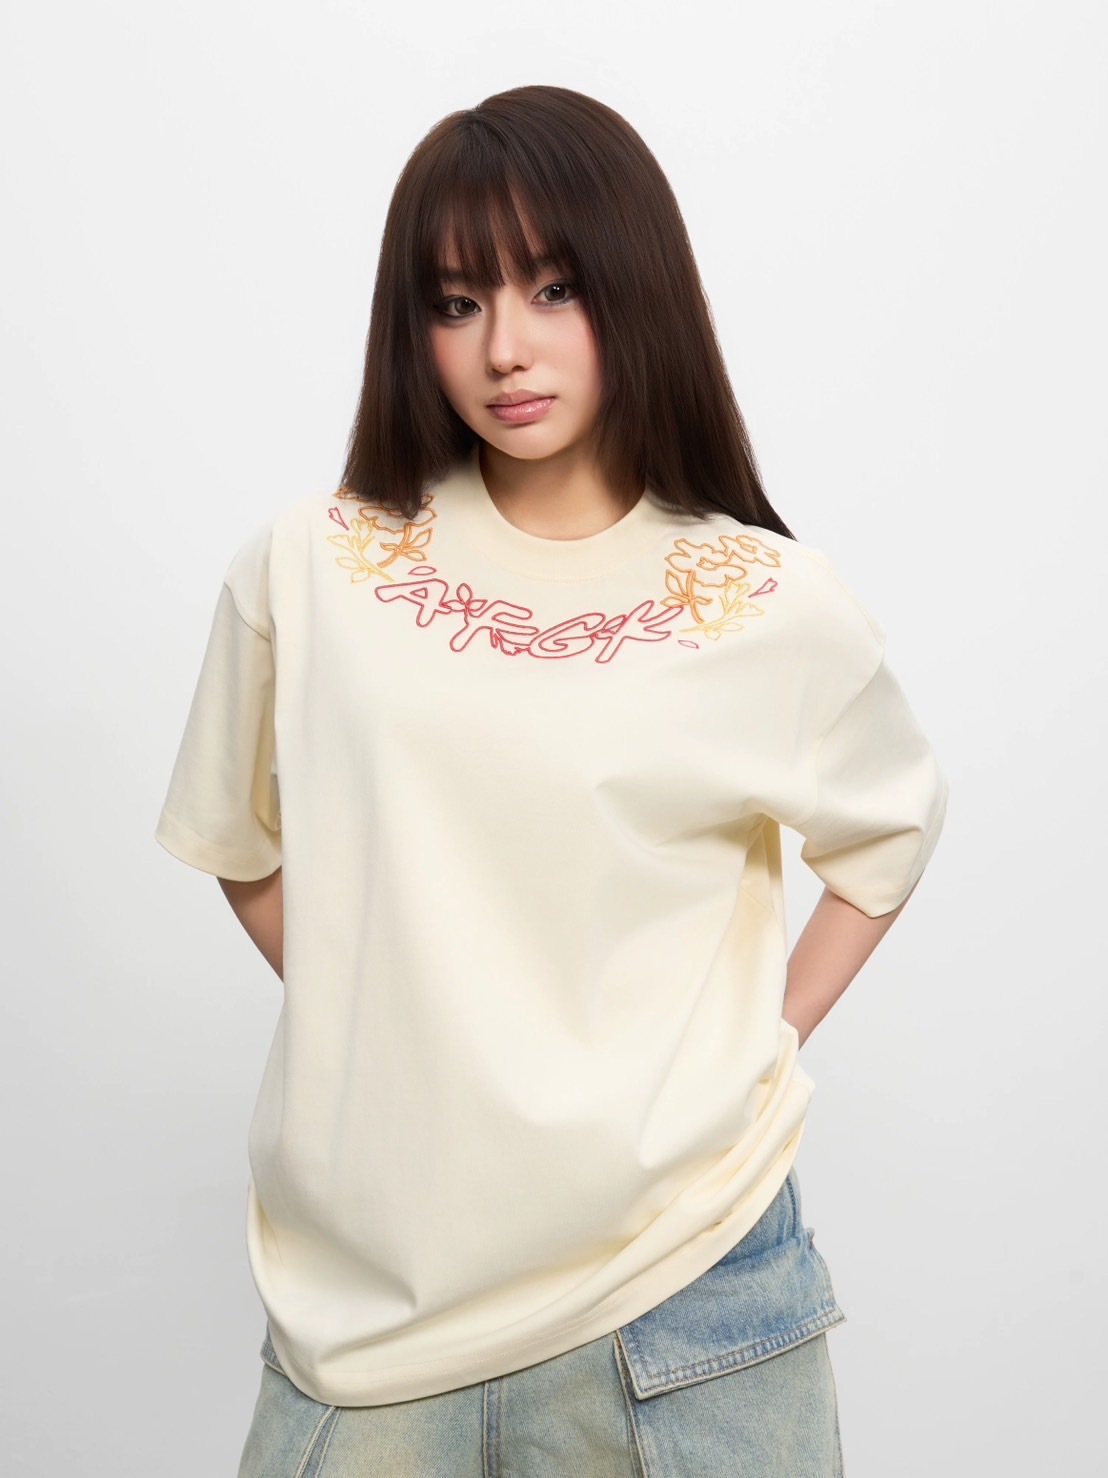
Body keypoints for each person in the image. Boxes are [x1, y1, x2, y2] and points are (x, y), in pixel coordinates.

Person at [155, 84, 948, 1477]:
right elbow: (238, 838)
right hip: (375, 1314)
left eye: (553, 289)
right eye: (456, 303)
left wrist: (751, 1043)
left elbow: (889, 834)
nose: (503, 349)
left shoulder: (766, 599)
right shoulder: (312, 567)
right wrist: (398, 1020)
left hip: (691, 1292)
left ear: (635, 288)